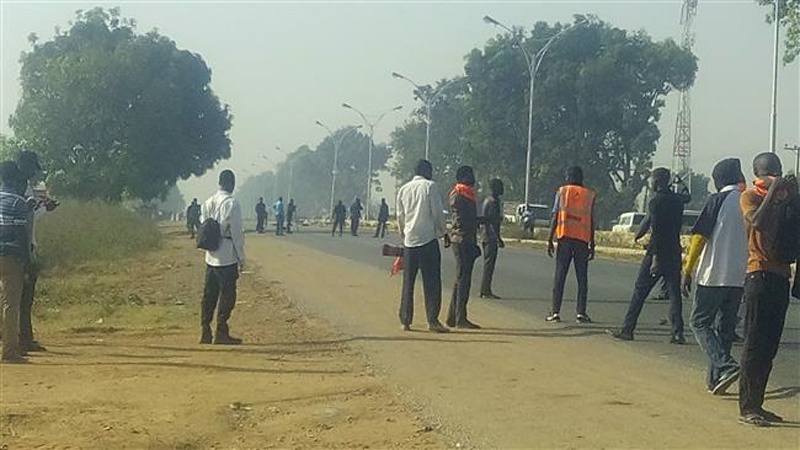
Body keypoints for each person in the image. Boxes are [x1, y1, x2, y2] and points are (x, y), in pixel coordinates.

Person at [737, 152, 798, 427]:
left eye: (778, 171)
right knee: (754, 343)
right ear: (758, 174)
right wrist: (773, 191)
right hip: (758, 274)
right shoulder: (750, 196)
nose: (775, 175)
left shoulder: (789, 201)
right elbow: (756, 223)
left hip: (781, 276)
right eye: (769, 171)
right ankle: (748, 406)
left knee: (769, 346)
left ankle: (758, 404)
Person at [682, 158, 747, 395]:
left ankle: (726, 365)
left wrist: (687, 270)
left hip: (713, 274)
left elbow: (699, 237)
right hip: (739, 277)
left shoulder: (717, 200)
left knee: (699, 322)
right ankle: (715, 379)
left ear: (717, 180)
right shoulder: (747, 201)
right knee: (725, 329)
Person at [610, 167, 686, 344]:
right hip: (674, 251)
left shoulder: (655, 201)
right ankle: (677, 333)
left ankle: (627, 329)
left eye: (652, 180)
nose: (650, 183)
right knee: (674, 294)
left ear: (656, 181)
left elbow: (657, 230)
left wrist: (655, 258)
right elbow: (686, 195)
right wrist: (678, 182)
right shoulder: (678, 201)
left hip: (658, 252)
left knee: (640, 291)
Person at [397, 159, 449, 333]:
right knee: (432, 282)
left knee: (408, 282)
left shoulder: (403, 189)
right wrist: (442, 232)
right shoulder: (430, 187)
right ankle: (432, 320)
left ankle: (405, 320)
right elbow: (437, 213)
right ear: (427, 171)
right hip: (428, 239)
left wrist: (404, 234)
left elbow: (400, 216)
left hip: (410, 241)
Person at [17, 151, 58, 353]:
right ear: (24, 166)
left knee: (14, 295)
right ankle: (23, 338)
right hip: (23, 246)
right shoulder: (20, 188)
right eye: (32, 167)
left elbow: (28, 214)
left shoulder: (17, 188)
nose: (34, 172)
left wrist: (43, 208)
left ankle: (17, 336)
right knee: (24, 296)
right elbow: (24, 217)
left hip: (16, 245)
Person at [200, 170, 246, 345]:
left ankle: (205, 329)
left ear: (219, 183)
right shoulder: (232, 204)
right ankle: (221, 329)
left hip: (210, 255)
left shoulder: (207, 203)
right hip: (227, 256)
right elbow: (236, 233)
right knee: (227, 295)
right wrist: (241, 257)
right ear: (232, 184)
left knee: (209, 294)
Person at [546, 166, 596, 323]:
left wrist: (549, 239)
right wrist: (592, 243)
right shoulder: (589, 195)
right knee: (582, 278)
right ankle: (581, 313)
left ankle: (555, 312)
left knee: (560, 277)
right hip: (582, 240)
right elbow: (592, 220)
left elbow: (555, 217)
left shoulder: (562, 192)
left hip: (564, 238)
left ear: (568, 176)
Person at [0, 161, 31, 363]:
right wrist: (27, 260)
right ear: (15, 178)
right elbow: (20, 233)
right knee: (10, 304)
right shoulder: (18, 202)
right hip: (11, 256)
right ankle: (9, 351)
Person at [446, 166, 482, 329]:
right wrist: (481, 221)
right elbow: (463, 220)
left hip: (465, 239)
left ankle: (453, 317)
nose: (473, 178)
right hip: (461, 240)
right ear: (463, 176)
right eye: (470, 175)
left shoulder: (466, 193)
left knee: (460, 279)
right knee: (463, 281)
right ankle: (460, 318)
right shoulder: (459, 194)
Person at [480, 179, 505, 299]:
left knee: (488, 264)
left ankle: (485, 289)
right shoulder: (493, 202)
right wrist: (498, 238)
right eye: (500, 186)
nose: (502, 189)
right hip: (490, 237)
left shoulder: (487, 200)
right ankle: (485, 290)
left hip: (485, 235)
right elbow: (492, 222)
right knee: (489, 265)